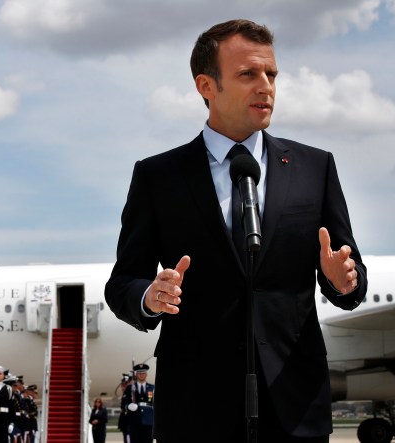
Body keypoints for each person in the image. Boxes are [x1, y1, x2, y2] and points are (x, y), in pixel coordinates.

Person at [105, 18, 367, 443]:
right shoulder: (158, 177)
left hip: (294, 402)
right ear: (206, 86)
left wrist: (343, 281)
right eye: (248, 74)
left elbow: (351, 277)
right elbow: (122, 283)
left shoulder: (315, 168)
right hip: (196, 406)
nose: (265, 85)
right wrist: (150, 297)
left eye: (271, 74)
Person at [120, 364, 154, 443]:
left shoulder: (152, 388)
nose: (141, 375)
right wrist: (128, 406)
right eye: (139, 373)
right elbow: (123, 404)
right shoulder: (130, 388)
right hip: (134, 420)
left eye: (143, 373)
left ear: (146, 374)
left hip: (149, 420)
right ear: (136, 374)